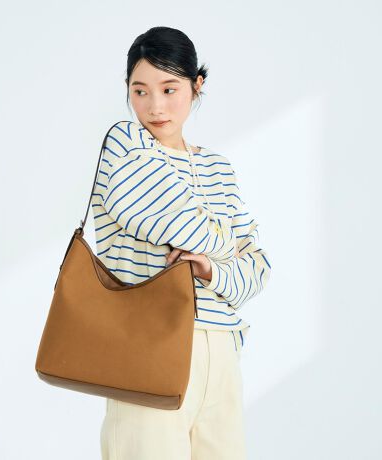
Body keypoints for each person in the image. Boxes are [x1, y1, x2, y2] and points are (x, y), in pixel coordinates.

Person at [92, 26, 272, 460]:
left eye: (169, 89)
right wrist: (227, 243)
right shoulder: (126, 146)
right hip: (147, 346)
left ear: (196, 85)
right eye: (140, 91)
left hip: (221, 352)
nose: (154, 106)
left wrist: (211, 268)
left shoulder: (218, 167)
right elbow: (179, 226)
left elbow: (259, 267)